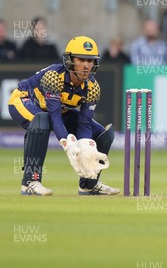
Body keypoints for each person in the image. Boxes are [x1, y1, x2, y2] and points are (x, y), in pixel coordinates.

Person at [7, 36, 119, 196]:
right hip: (24, 100)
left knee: (102, 135)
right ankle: (30, 182)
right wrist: (69, 145)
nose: (86, 66)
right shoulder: (53, 77)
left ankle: (89, 184)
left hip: (58, 111)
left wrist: (86, 147)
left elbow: (84, 123)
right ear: (70, 60)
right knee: (42, 120)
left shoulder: (93, 87)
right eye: (81, 60)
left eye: (90, 61)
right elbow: (54, 116)